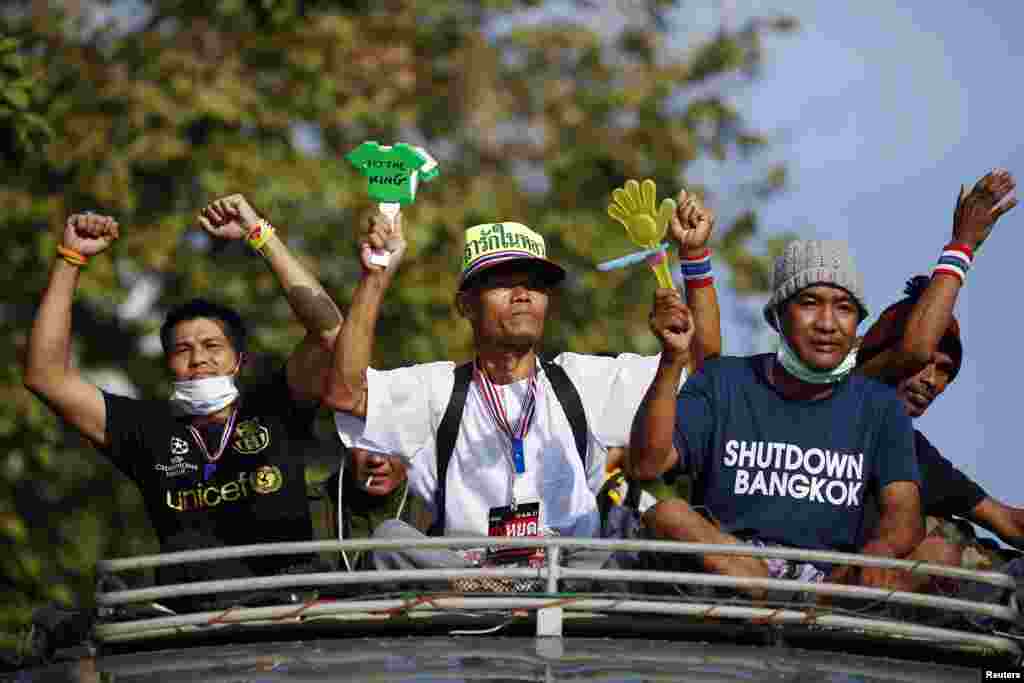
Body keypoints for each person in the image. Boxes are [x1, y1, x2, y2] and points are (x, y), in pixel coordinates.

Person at [325, 189, 721, 574]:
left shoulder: (581, 380)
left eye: (534, 284)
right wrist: (375, 277)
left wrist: (695, 261)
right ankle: (484, 591)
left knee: (639, 539)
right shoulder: (439, 389)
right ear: (466, 305)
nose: (522, 295)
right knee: (391, 538)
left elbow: (707, 377)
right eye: (503, 282)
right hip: (469, 572)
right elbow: (345, 392)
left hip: (572, 572)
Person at [22, 198, 343, 590]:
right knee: (188, 550)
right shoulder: (147, 429)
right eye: (182, 350)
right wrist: (70, 257)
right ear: (168, 363)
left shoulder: (275, 407)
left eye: (212, 346)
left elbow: (329, 332)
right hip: (198, 620)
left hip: (292, 606)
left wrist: (257, 232)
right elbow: (45, 375)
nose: (198, 359)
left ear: (238, 360)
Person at [630, 239, 924, 593]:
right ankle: (765, 597)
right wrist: (672, 360)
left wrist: (882, 550)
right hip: (730, 567)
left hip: (833, 583)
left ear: (858, 324)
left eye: (844, 308)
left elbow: (904, 512)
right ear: (777, 317)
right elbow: (647, 465)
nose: (827, 323)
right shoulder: (724, 381)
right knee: (668, 515)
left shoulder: (881, 406)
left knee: (939, 554)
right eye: (810, 303)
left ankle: (808, 612)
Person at [857, 169, 1022, 557]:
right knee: (938, 540)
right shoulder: (841, 393)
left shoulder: (909, 450)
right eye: (927, 362)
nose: (931, 380)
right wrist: (962, 246)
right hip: (829, 584)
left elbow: (1008, 523)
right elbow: (913, 349)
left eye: (946, 370)